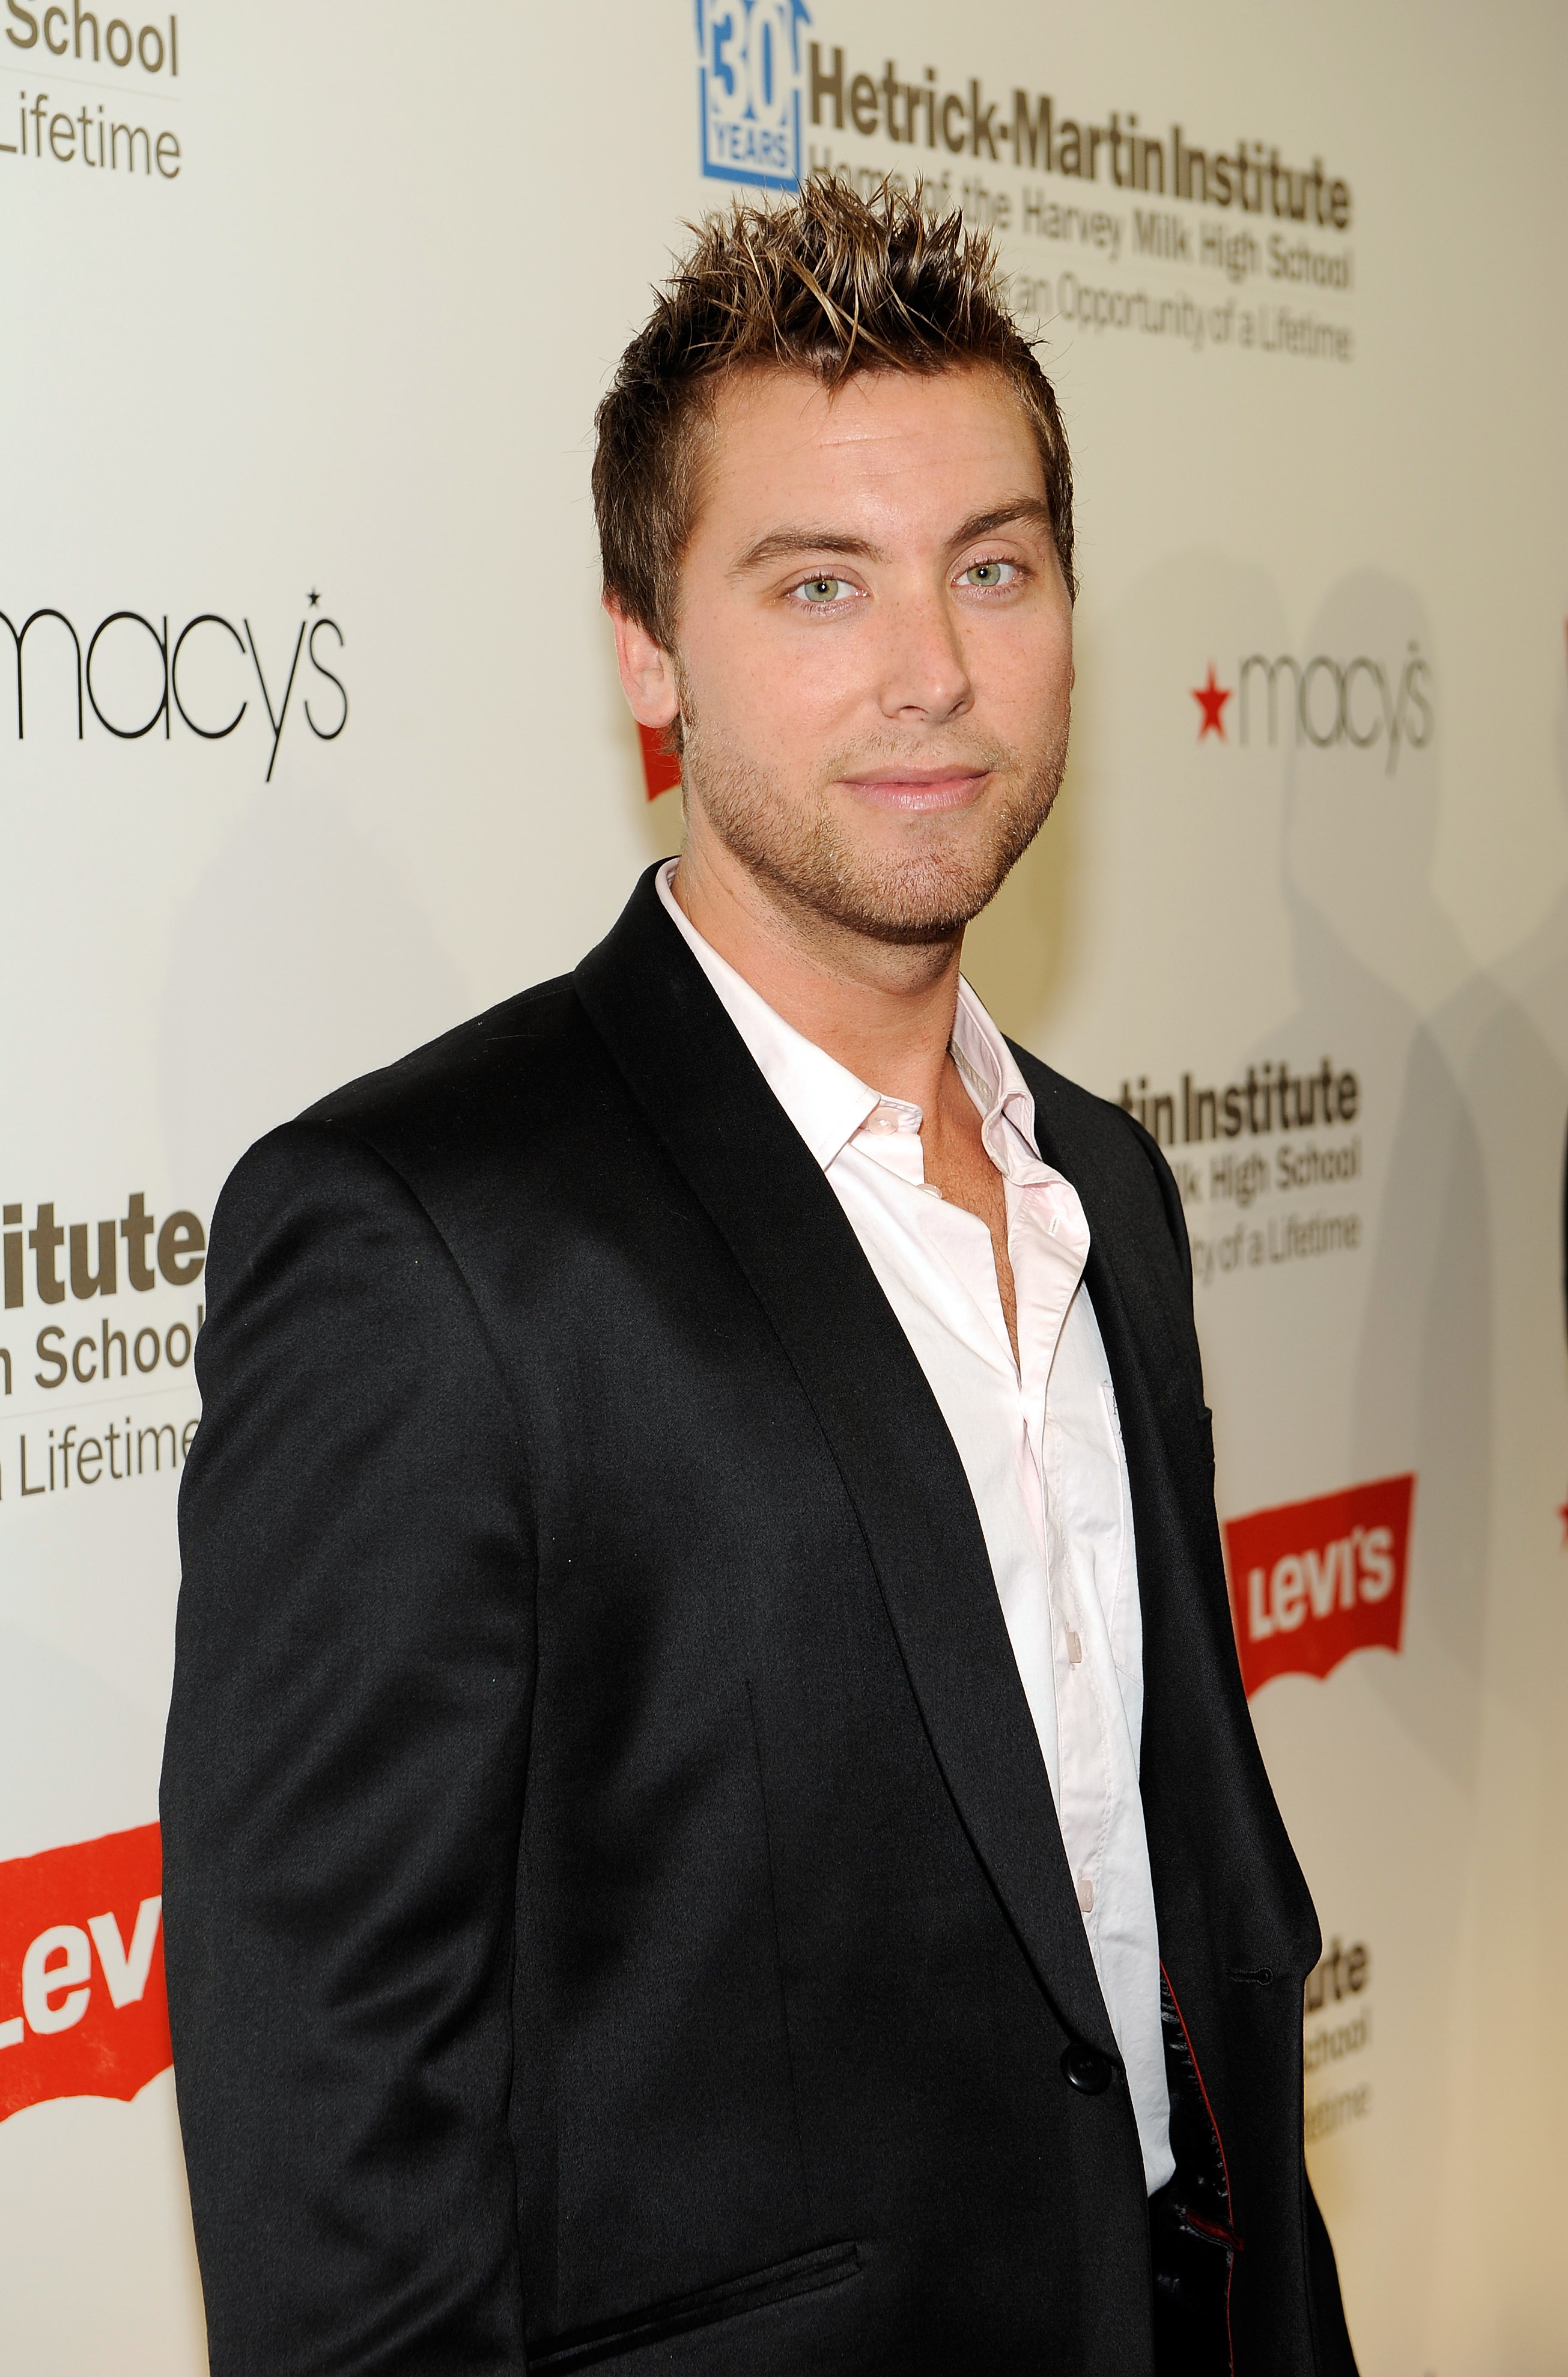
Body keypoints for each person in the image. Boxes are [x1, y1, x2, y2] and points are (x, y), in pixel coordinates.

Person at [162, 181, 1357, 2375]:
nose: (930, 668)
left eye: (991, 567)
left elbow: (1166, 1914)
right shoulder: (422, 1240)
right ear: (647, 649)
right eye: (818, 584)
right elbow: (338, 2171)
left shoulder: (1106, 1187)